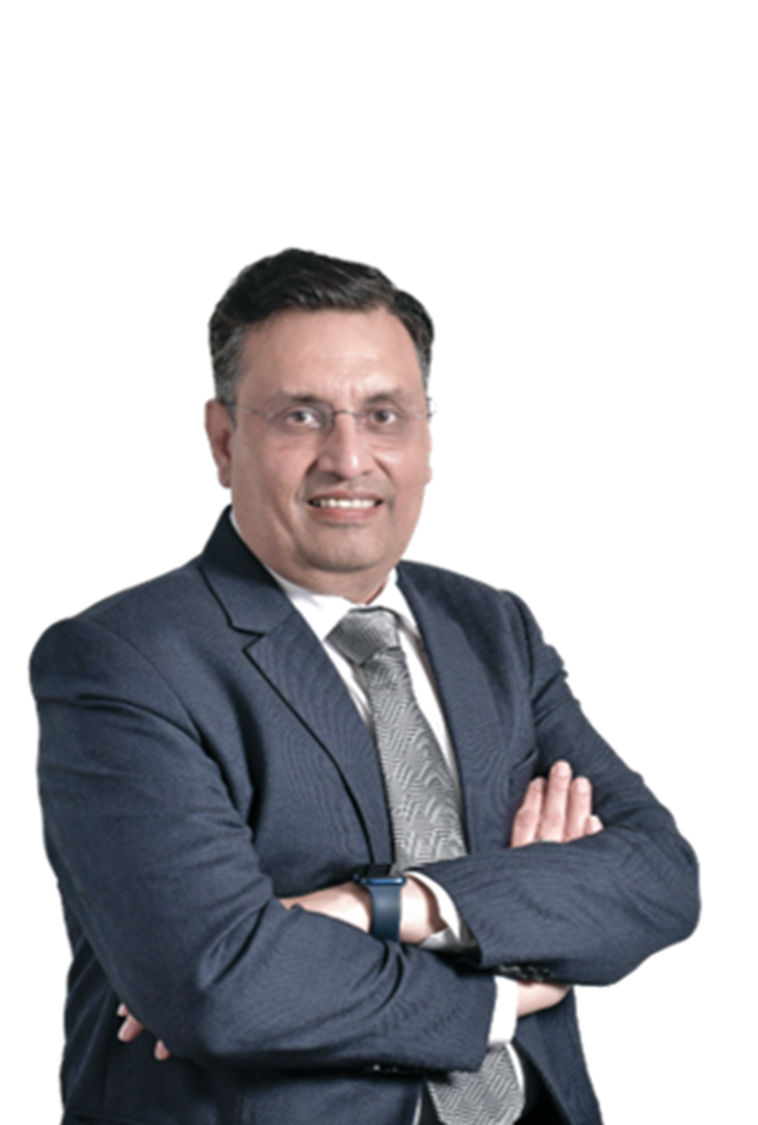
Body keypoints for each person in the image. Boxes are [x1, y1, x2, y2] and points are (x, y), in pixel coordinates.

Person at [31, 248, 699, 1125]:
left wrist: (378, 906)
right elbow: (218, 980)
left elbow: (657, 878)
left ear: (425, 438)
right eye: (301, 416)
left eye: (384, 415)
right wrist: (506, 985)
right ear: (224, 440)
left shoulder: (492, 628)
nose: (349, 457)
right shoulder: (124, 660)